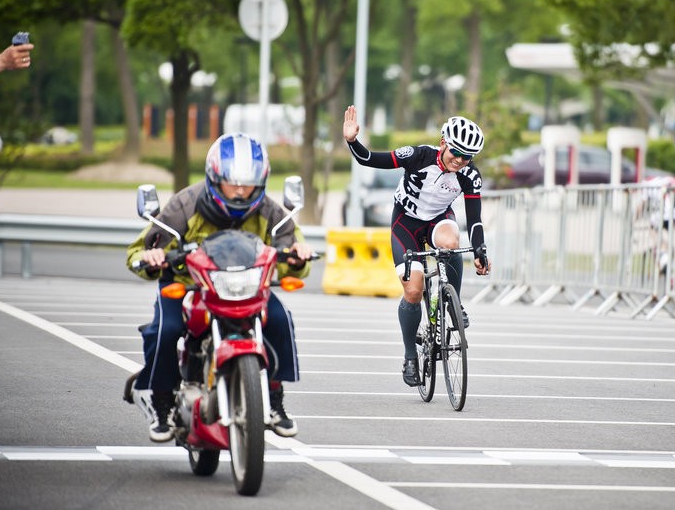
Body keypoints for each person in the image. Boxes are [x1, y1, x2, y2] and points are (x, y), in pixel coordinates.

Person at [126, 132, 313, 442]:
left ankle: (275, 398)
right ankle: (163, 403)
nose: (240, 190)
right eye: (232, 181)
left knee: (279, 319)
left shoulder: (269, 210)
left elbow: (291, 247)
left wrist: (296, 258)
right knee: (167, 328)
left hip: (247, 288)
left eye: (248, 182)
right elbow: (140, 250)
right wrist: (152, 256)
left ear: (262, 180)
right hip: (189, 285)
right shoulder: (185, 204)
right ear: (215, 177)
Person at [342, 105, 491, 387]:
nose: (460, 160)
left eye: (468, 156)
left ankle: (453, 304)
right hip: (406, 223)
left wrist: (481, 250)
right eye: (456, 152)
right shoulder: (419, 156)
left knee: (452, 242)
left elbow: (475, 219)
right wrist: (352, 141)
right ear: (443, 143)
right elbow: (370, 160)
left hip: (438, 219)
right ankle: (410, 355)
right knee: (413, 290)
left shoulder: (470, 175)